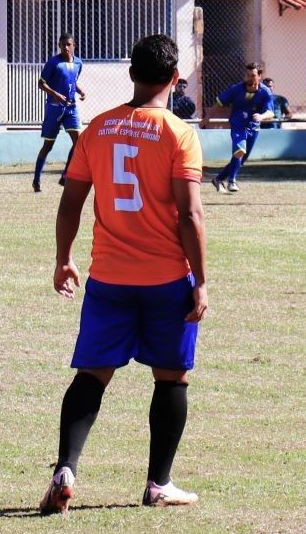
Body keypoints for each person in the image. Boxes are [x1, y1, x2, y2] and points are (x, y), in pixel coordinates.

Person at [40, 34, 208, 515]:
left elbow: (71, 200)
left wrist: (63, 258)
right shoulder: (179, 133)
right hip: (165, 280)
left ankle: (66, 468)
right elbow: (189, 215)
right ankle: (159, 484)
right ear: (174, 79)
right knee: (171, 378)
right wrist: (201, 280)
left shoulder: (98, 128)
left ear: (131, 75)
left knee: (92, 374)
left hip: (109, 278)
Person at [204, 62, 273, 193]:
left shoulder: (265, 92)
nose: (248, 78)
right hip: (238, 124)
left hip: (254, 128)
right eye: (247, 75)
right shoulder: (236, 89)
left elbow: (271, 112)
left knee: (240, 158)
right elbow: (219, 102)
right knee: (240, 150)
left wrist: (262, 116)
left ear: (259, 76)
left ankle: (218, 179)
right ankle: (232, 182)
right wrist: (207, 117)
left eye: (252, 75)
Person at [32, 33, 85, 192]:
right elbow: (41, 83)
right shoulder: (54, 63)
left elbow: (72, 81)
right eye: (62, 45)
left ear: (74, 45)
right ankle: (36, 181)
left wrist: (81, 91)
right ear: (59, 46)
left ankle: (65, 176)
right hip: (54, 108)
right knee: (48, 146)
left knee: (79, 142)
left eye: (68, 44)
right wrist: (56, 94)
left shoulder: (78, 63)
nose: (65, 48)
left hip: (71, 108)